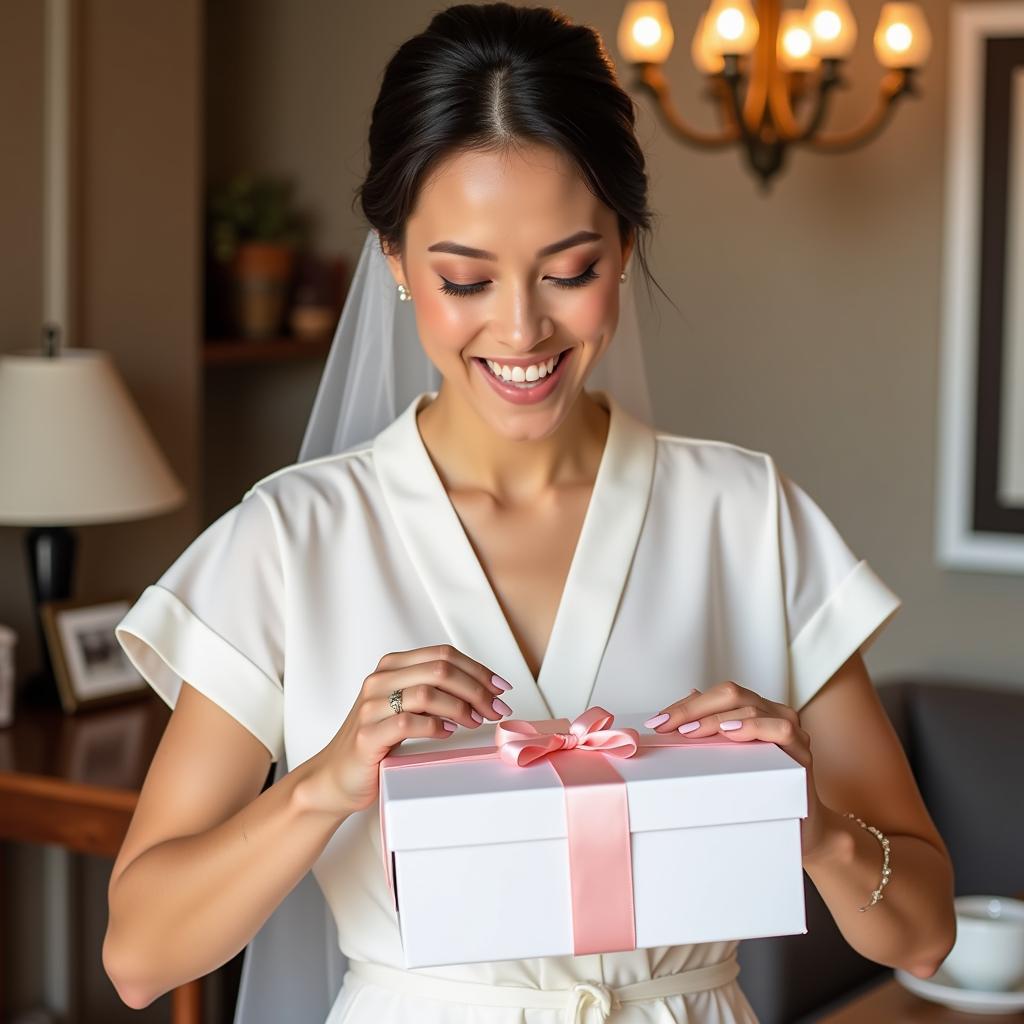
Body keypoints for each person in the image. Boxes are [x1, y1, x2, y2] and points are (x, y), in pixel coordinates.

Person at [102, 4, 956, 1023]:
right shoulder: (291, 541)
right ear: (393, 260)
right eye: (464, 277)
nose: (520, 328)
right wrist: (324, 782)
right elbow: (140, 956)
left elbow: (925, 930)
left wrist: (807, 820)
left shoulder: (745, 517)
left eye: (569, 271)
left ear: (626, 248)